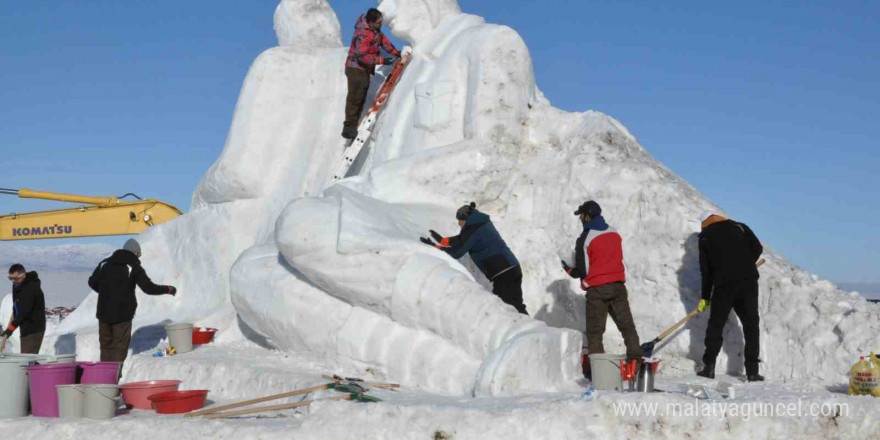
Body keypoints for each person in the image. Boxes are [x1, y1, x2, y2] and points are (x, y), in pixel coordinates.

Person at [562, 201, 641, 367]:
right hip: (618, 287)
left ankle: (598, 370)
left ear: (587, 216)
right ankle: (636, 362)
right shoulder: (614, 233)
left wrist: (569, 270)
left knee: (595, 332)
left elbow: (583, 271)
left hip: (597, 290)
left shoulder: (586, 238)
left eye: (581, 216)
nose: (581, 220)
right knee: (627, 327)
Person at [421, 202, 528, 315]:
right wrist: (443, 241)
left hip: (503, 273)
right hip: (512, 268)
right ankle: (530, 329)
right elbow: (463, 239)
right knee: (516, 305)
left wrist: (435, 246)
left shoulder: (473, 230)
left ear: (466, 219)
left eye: (460, 220)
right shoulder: (481, 223)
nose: (459, 223)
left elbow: (457, 252)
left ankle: (524, 330)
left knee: (506, 308)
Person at [696, 211, 764, 381]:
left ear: (705, 223)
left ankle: (709, 367)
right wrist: (746, 262)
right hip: (748, 280)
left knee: (716, 324)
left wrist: (705, 296)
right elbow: (758, 248)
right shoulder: (740, 226)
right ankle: (753, 372)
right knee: (751, 324)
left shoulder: (705, 236)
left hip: (724, 283)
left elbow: (706, 271)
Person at [88, 239, 176, 369]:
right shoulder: (132, 266)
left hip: (103, 312)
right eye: (138, 254)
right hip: (122, 313)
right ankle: (115, 376)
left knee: (106, 345)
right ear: (135, 253)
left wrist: (106, 292)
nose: (138, 257)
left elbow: (92, 282)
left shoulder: (104, 263)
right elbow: (148, 288)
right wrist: (168, 289)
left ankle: (104, 376)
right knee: (119, 345)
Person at [341, 8, 401, 140]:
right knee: (355, 95)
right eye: (379, 22)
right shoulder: (362, 34)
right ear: (371, 22)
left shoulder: (375, 32)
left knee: (362, 94)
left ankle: (353, 125)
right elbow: (362, 56)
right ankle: (349, 128)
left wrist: (396, 53)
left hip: (364, 69)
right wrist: (382, 60)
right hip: (355, 67)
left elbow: (384, 43)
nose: (381, 25)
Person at [2, 264, 46, 354]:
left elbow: (24, 312)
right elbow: (16, 305)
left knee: (27, 358)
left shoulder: (31, 288)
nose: (14, 281)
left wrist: (11, 328)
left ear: (24, 276)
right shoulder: (17, 285)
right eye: (11, 279)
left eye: (16, 279)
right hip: (25, 326)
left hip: (34, 328)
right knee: (27, 357)